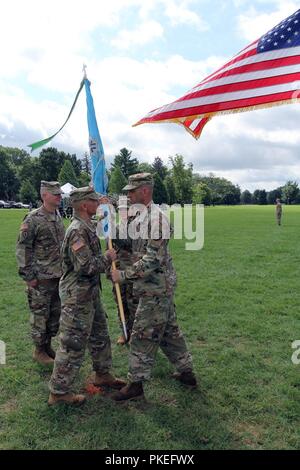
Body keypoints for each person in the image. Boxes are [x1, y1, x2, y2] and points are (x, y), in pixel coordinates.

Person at [110, 173, 197, 401]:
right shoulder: (139, 216)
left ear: (145, 191)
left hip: (156, 288)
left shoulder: (158, 220)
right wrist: (112, 227)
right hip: (151, 287)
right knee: (169, 332)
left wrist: (124, 275)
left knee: (141, 334)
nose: (128, 194)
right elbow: (128, 242)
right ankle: (187, 372)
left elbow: (152, 260)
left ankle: (136, 384)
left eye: (132, 191)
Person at [48, 187, 126, 406]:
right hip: (77, 296)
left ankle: (103, 374)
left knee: (100, 334)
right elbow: (85, 266)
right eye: (94, 200)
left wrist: (106, 207)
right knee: (72, 342)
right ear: (84, 205)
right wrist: (107, 257)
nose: (97, 203)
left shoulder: (86, 224)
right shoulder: (76, 231)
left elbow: (101, 218)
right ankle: (59, 392)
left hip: (90, 293)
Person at [16, 181, 65, 366]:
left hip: (57, 275)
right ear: (44, 195)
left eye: (60, 194)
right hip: (40, 278)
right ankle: (38, 350)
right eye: (55, 194)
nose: (59, 197)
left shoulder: (57, 215)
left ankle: (47, 346)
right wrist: (29, 276)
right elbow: (23, 249)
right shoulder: (32, 219)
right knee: (40, 315)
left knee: (54, 314)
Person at [112, 199, 138, 345]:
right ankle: (124, 332)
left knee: (133, 304)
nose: (122, 212)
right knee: (120, 304)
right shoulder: (115, 227)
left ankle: (135, 334)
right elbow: (109, 250)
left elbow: (128, 244)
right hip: (118, 271)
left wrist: (112, 233)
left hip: (132, 272)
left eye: (125, 209)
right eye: (120, 209)